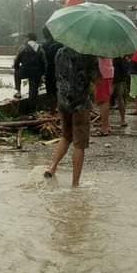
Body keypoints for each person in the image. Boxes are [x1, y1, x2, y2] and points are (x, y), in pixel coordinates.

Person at [45, 46, 98, 187]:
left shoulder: (60, 52)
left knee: (66, 136)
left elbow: (57, 75)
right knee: (79, 144)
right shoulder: (88, 54)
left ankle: (52, 167)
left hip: (63, 101)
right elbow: (96, 78)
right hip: (80, 104)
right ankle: (75, 183)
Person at [13, 33, 45, 112]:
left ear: (28, 38)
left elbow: (17, 61)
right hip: (36, 72)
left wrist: (16, 67)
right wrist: (41, 73)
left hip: (25, 71)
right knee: (33, 91)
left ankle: (18, 92)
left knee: (16, 73)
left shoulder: (23, 47)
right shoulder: (40, 48)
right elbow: (44, 62)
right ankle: (32, 110)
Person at [41, 27, 63, 110]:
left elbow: (43, 60)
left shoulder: (44, 45)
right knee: (58, 88)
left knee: (50, 90)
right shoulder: (60, 44)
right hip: (59, 70)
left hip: (49, 70)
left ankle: (52, 108)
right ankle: (59, 107)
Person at [94, 57, 114, 136]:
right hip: (107, 73)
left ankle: (104, 128)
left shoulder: (101, 48)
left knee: (103, 101)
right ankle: (106, 125)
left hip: (102, 74)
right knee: (105, 100)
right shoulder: (108, 46)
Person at [112, 56, 130, 128]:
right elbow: (126, 69)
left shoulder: (107, 54)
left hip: (110, 78)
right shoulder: (121, 55)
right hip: (120, 79)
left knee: (106, 101)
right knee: (120, 99)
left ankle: (104, 122)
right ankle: (123, 120)